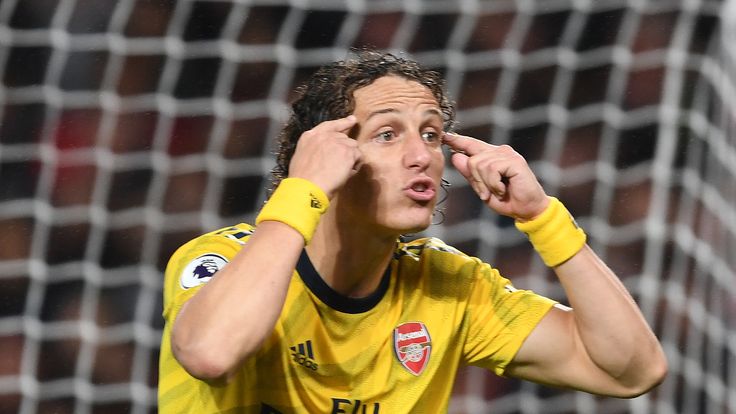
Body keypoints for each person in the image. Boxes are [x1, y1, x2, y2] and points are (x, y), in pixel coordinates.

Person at [158, 50, 667, 413]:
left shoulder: (449, 286)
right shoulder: (220, 259)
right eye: (387, 134)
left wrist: (543, 219)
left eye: (429, 133)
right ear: (326, 154)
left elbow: (632, 371)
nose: (422, 156)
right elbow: (210, 352)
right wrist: (302, 188)